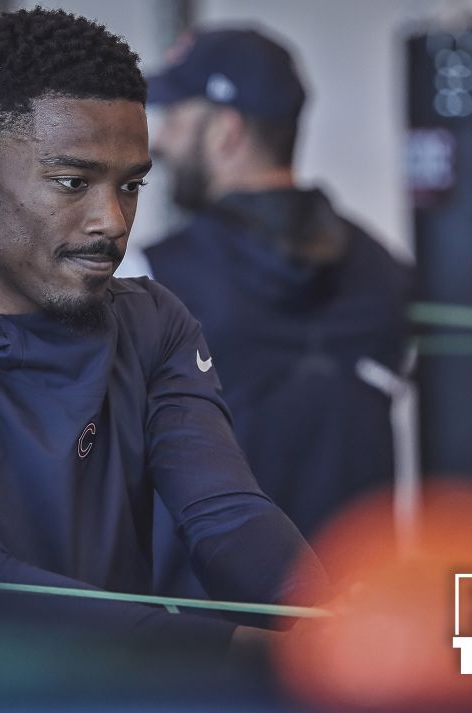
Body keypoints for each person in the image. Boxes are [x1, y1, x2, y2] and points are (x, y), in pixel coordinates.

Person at [0, 9, 326, 650]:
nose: (112, 220)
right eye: (71, 182)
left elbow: (225, 513)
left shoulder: (153, 323)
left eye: (131, 185)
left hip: (119, 694)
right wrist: (237, 649)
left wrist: (331, 621)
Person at [139, 28, 414, 597]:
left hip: (198, 645)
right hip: (349, 626)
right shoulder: (387, 272)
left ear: (225, 130)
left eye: (175, 120)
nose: (160, 142)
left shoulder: (148, 278)